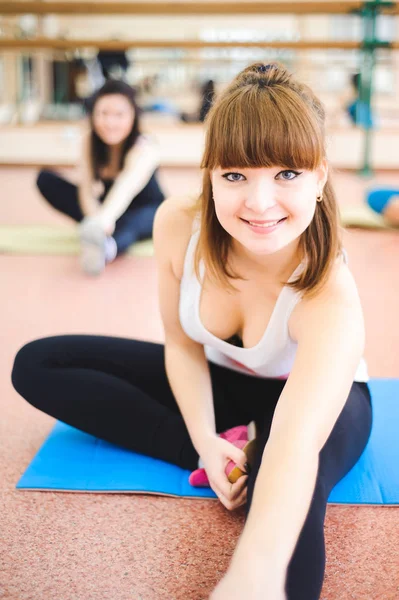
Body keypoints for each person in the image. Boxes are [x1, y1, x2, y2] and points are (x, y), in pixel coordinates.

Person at [12, 63, 372, 600]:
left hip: (320, 403)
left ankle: (256, 464)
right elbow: (181, 344)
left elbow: (295, 446)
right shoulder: (178, 224)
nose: (259, 202)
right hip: (227, 380)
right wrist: (204, 441)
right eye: (234, 175)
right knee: (38, 363)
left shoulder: (330, 296)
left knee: (290, 477)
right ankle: (228, 452)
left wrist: (251, 578)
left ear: (320, 176)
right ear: (208, 174)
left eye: (287, 175)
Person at [36, 79, 165, 275]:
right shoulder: (89, 140)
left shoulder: (145, 147)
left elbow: (125, 187)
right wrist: (95, 217)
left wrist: (103, 220)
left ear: (133, 117)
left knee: (132, 224)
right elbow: (86, 188)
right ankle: (96, 233)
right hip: (107, 209)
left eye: (119, 115)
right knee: (45, 179)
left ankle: (107, 248)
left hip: (146, 210)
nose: (110, 123)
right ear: (93, 115)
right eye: (103, 114)